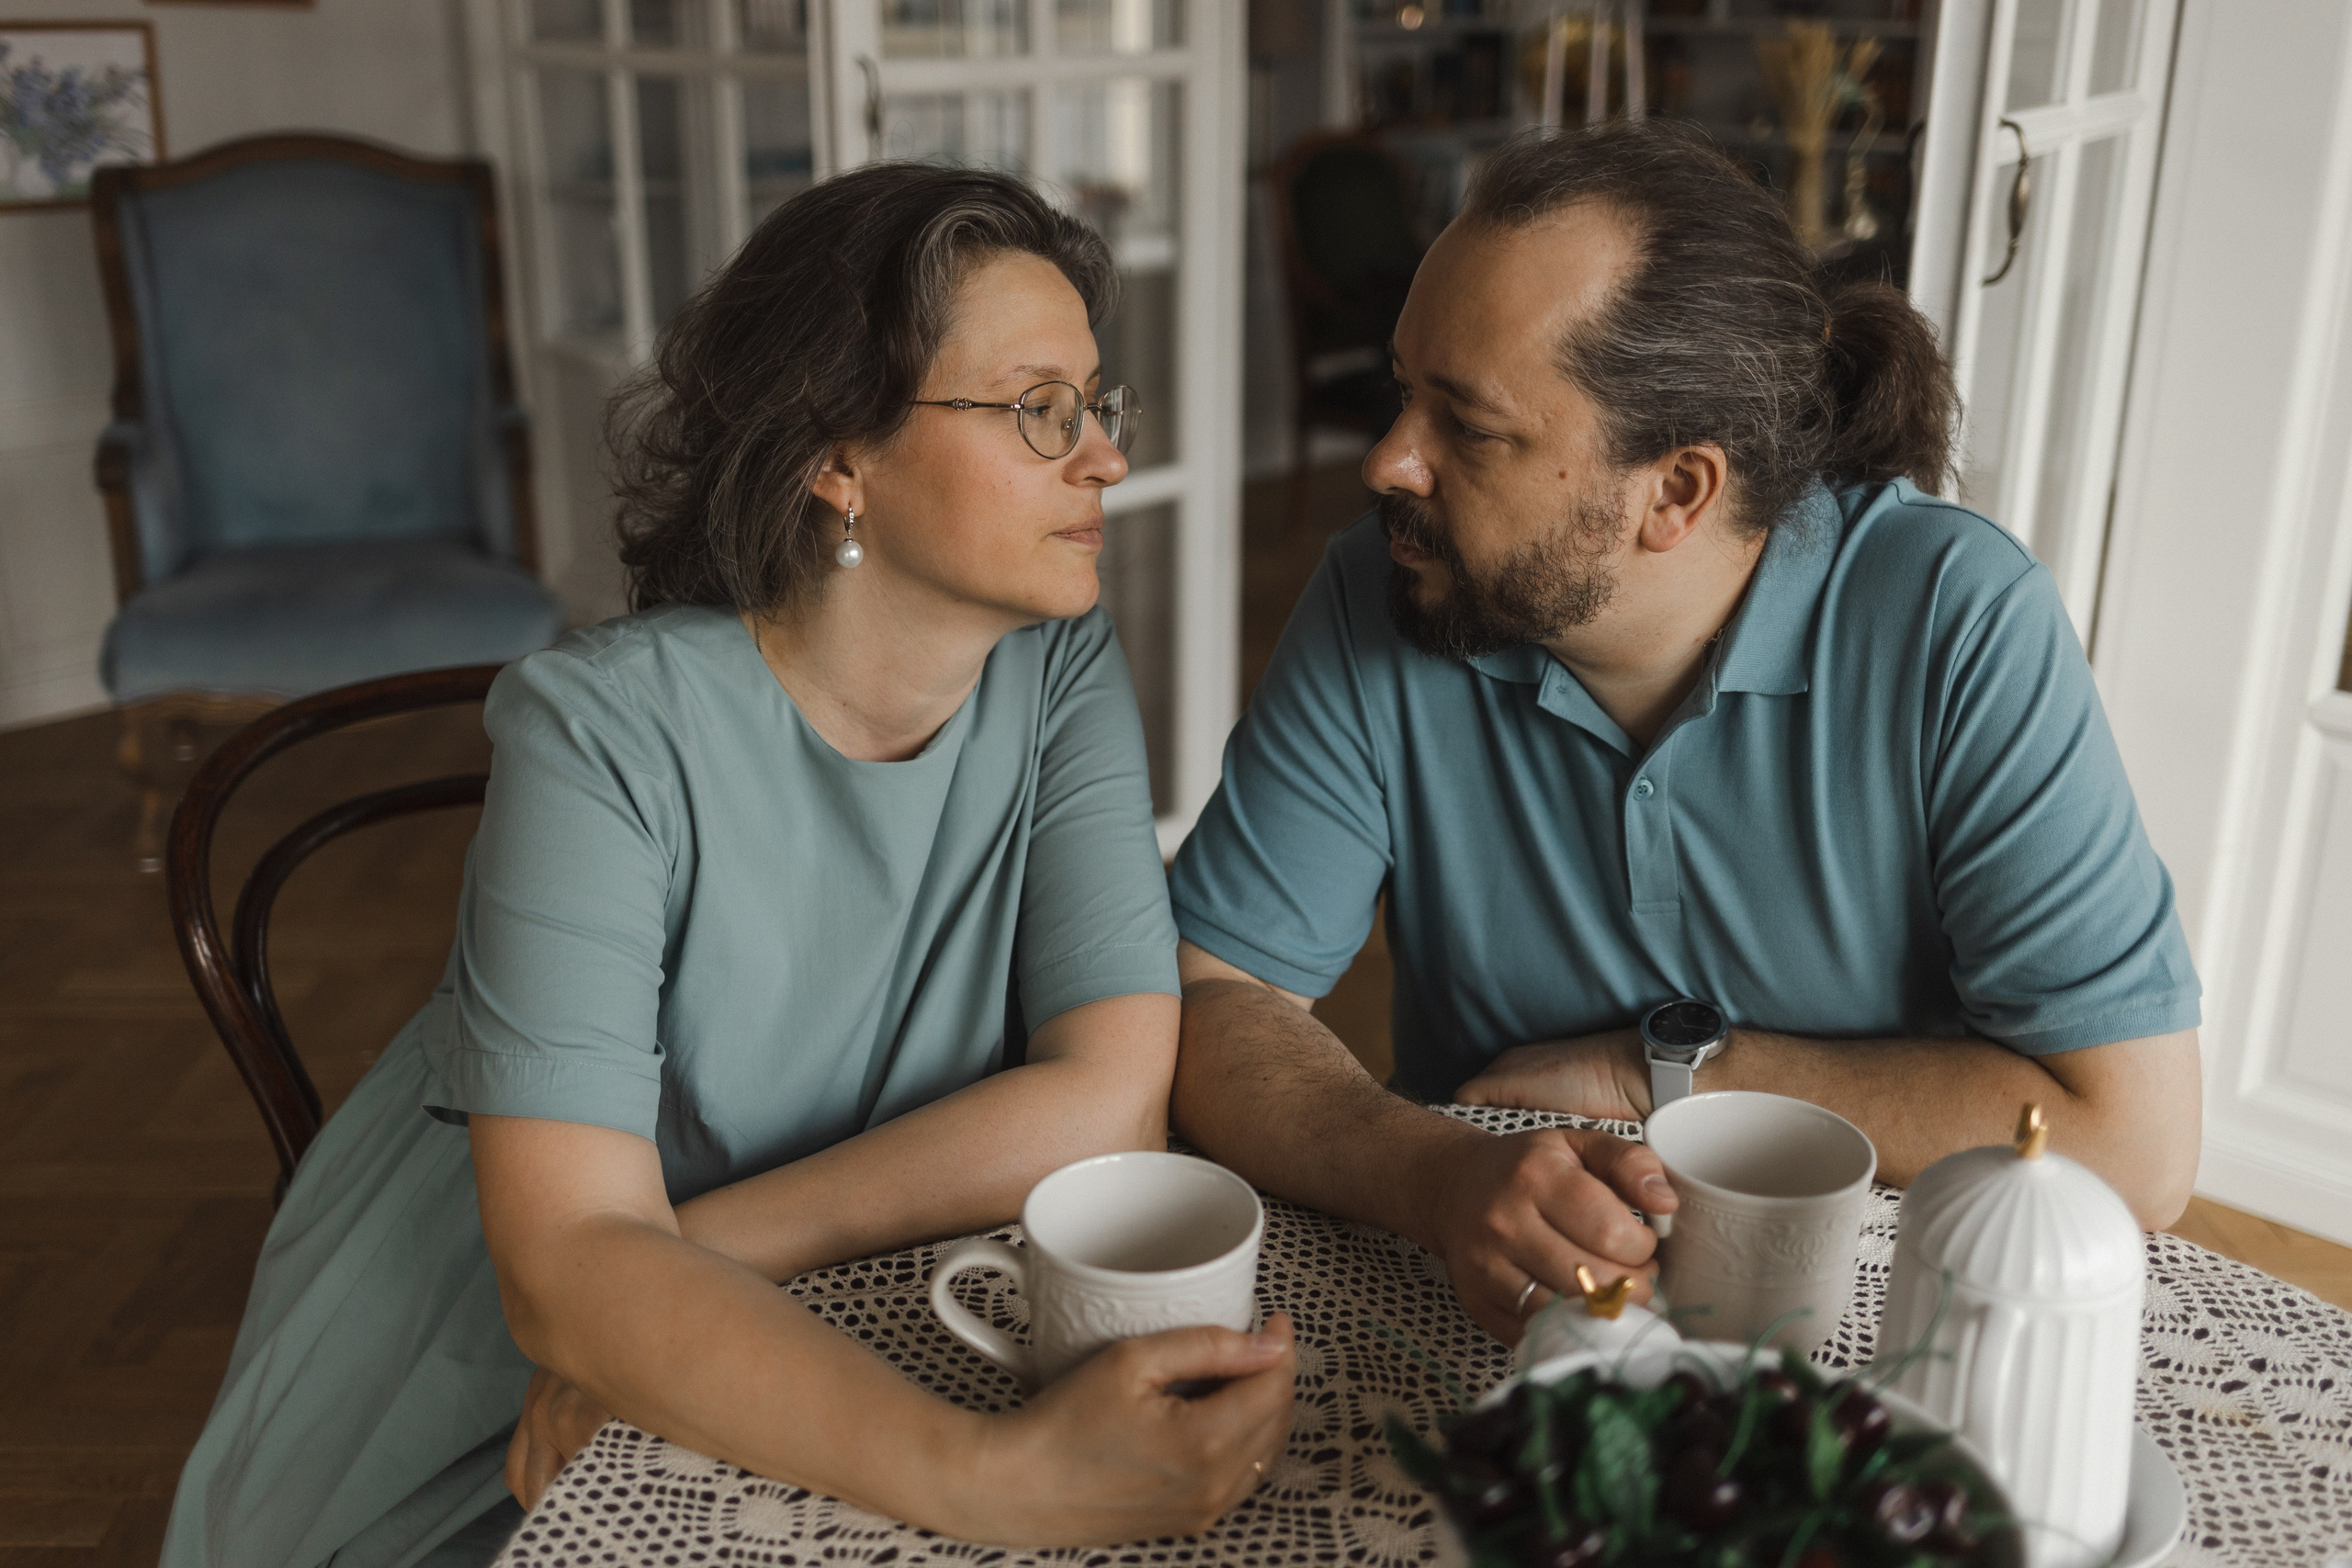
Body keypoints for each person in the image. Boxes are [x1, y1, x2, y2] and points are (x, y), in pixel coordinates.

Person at [162, 164, 1295, 1568]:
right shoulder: (599, 731)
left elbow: (1110, 1097)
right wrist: (996, 1476)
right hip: (475, 1345)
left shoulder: (1058, 666)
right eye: (1038, 410)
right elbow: (564, 1261)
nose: (1105, 458)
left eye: (1096, 404)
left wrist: (683, 1254)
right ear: (840, 454)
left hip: (784, 1279)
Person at [1167, 120, 2203, 1350]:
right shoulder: (1386, 589)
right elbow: (1207, 1003)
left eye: (1472, 426)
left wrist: (1664, 1077)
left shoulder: (1952, 622)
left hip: (1867, 1315)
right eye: (1405, 394)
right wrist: (1434, 1173)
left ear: (1678, 492)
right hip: (1509, 1307)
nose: (1391, 462)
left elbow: (2133, 1143)